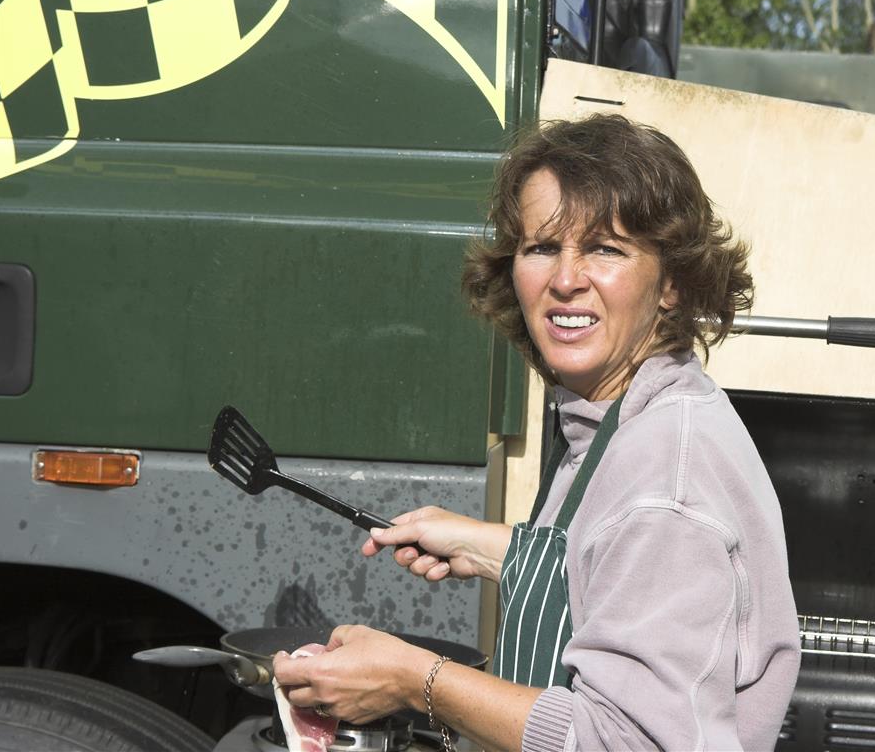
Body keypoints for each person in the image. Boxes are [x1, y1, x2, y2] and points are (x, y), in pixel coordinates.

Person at [273, 114, 800, 751]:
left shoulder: (666, 483)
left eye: (606, 249)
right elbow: (611, 568)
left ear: (672, 283)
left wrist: (415, 680)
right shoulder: (615, 416)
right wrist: (496, 550)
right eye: (542, 247)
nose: (566, 279)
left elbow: (626, 742)